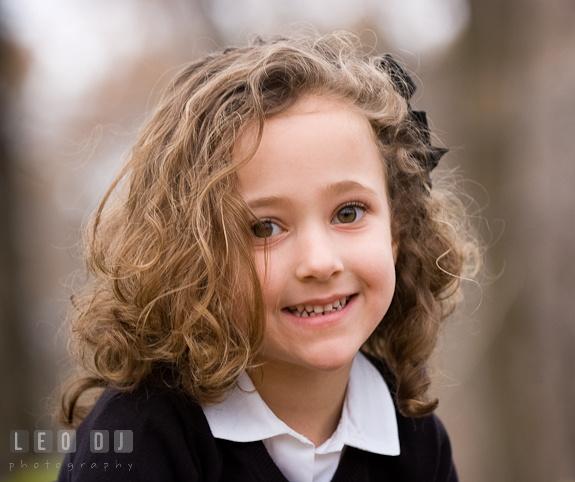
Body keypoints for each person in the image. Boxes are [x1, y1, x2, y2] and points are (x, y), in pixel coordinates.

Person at [56, 30, 480, 482]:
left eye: (349, 212)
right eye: (264, 228)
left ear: (397, 232)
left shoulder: (413, 436)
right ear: (193, 258)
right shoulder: (139, 436)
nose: (319, 262)